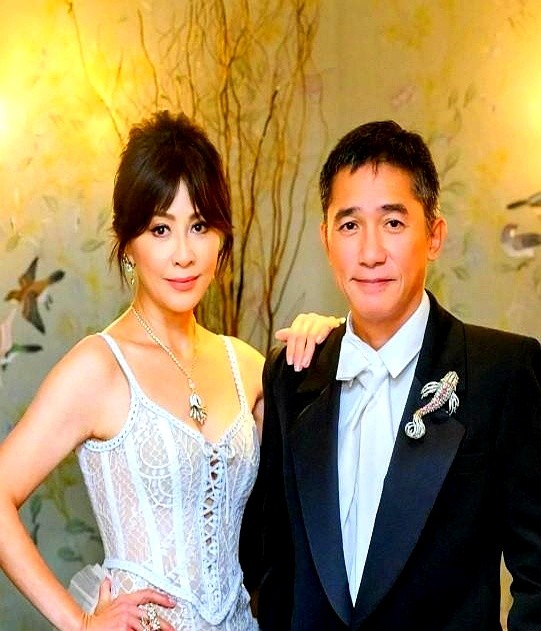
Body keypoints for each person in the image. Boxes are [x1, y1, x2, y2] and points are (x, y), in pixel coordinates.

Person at [0, 111, 341, 631]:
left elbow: (316, 490)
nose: (184, 254)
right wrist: (80, 623)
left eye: (199, 226)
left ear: (221, 238)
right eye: (161, 229)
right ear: (128, 241)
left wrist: (330, 343)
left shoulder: (245, 365)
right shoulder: (98, 368)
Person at [243, 120, 541, 630]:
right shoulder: (292, 375)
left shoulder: (502, 372)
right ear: (326, 238)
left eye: (394, 223)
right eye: (349, 226)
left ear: (434, 235)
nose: (370, 252)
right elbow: (271, 561)